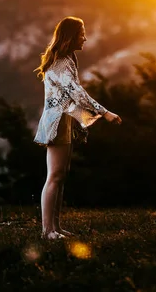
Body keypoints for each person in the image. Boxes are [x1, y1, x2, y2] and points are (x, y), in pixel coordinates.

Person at [34, 16, 122, 239]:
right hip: (56, 123)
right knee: (54, 176)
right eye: (82, 33)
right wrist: (105, 112)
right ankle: (47, 231)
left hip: (65, 120)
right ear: (71, 36)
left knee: (61, 175)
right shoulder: (60, 61)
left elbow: (72, 95)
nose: (85, 38)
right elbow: (76, 92)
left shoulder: (67, 59)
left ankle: (56, 227)